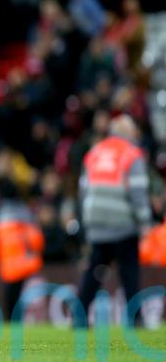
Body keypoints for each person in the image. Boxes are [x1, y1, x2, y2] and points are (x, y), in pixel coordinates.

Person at [76, 114, 152, 327]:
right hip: (122, 223)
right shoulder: (131, 153)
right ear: (128, 132)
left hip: (96, 223)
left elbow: (83, 191)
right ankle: (135, 318)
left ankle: (79, 316)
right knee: (129, 273)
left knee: (94, 272)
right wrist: (145, 222)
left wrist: (87, 220)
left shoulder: (95, 152)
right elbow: (138, 191)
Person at [0, 177, 44, 321]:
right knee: (23, 296)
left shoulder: (0, 213)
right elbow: (36, 238)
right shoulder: (25, 212)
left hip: (8, 263)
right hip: (27, 262)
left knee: (11, 296)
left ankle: (10, 320)